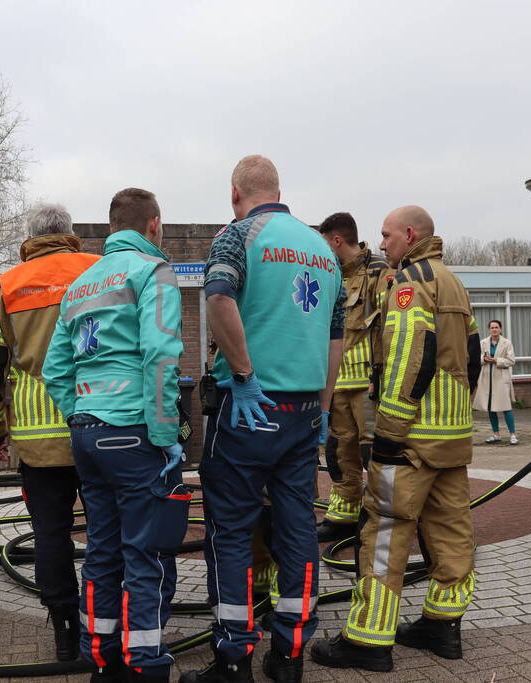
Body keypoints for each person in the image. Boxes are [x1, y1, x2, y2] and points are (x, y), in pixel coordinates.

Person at [180, 155, 344, 683]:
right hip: (302, 411)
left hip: (248, 408)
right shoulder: (323, 248)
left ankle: (233, 661)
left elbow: (219, 297)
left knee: (230, 531)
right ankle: (290, 654)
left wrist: (245, 374)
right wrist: (322, 407)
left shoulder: (237, 236)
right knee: (298, 529)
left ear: (236, 193)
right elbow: (335, 337)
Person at [310, 205, 481, 673]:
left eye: (386, 235)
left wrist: (388, 433)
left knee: (385, 530)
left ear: (409, 235)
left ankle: (368, 639)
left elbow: (410, 356)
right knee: (450, 530)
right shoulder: (453, 281)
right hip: (451, 434)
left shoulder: (410, 283)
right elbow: (472, 355)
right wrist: (458, 410)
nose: (381, 244)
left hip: (411, 439)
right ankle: (442, 626)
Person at [43, 187, 185, 683]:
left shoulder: (81, 284)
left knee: (102, 549)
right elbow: (162, 356)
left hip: (86, 433)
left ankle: (102, 658)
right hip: (133, 434)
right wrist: (167, 434)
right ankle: (146, 664)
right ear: (153, 225)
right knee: (146, 552)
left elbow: (53, 369)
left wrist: (82, 409)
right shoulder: (152, 272)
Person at [0, 203, 100, 661]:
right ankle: (109, 630)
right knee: (107, 531)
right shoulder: (100, 270)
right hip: (102, 420)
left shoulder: (7, 284)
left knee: (50, 533)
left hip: (38, 435)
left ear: (30, 237)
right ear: (70, 233)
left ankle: (65, 631)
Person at [317, 212, 388, 541]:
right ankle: (344, 514)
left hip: (367, 386)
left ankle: (380, 517)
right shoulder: (330, 275)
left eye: (324, 243)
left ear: (336, 240)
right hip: (338, 384)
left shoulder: (378, 272)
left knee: (371, 453)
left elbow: (389, 329)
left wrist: (382, 375)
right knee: (338, 452)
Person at [471, 320, 517, 444]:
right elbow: (476, 359)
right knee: (491, 408)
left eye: (496, 327)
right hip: (487, 379)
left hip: (501, 379)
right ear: (489, 329)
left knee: (506, 407)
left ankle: (513, 435)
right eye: (492, 327)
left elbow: (511, 361)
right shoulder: (483, 343)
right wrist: (484, 359)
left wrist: (496, 360)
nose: (494, 329)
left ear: (500, 329)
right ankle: (496, 434)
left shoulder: (507, 343)